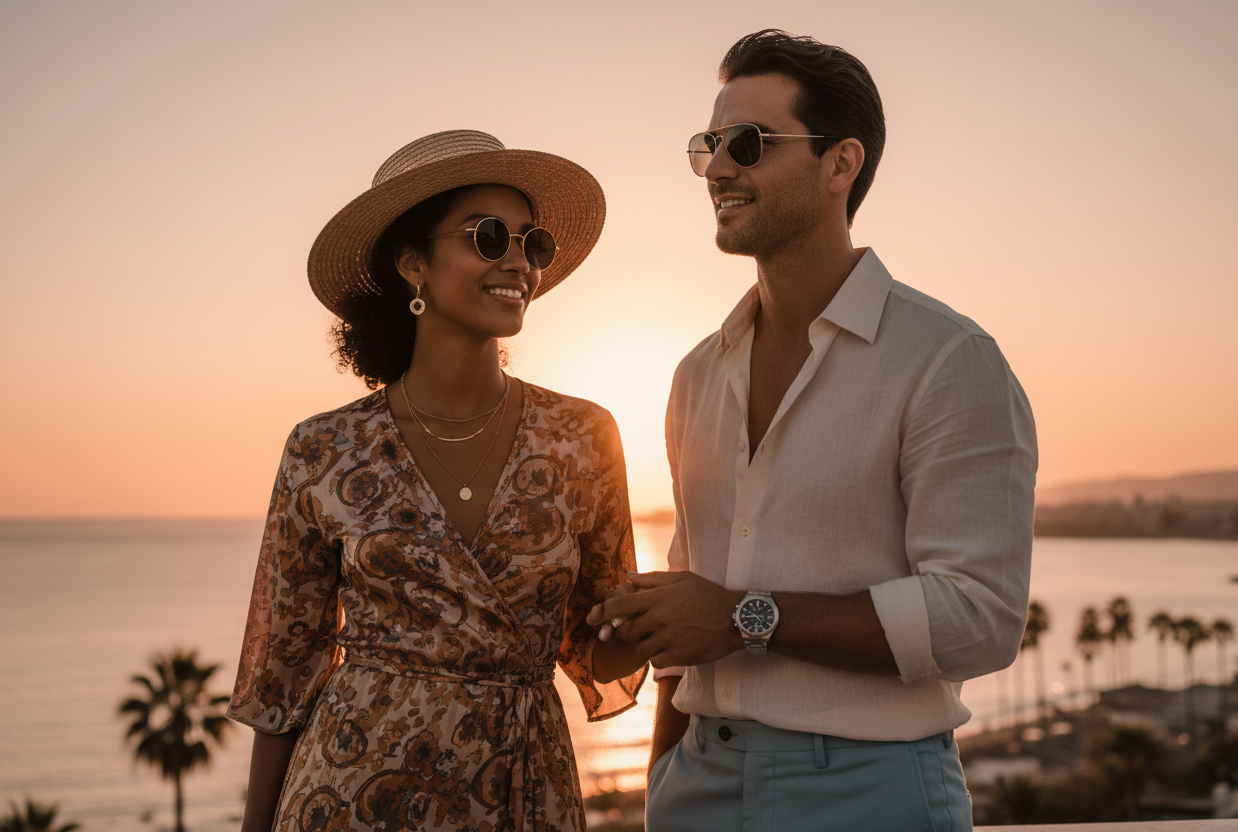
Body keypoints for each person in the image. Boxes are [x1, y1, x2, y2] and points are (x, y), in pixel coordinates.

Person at [587, 30, 1037, 831]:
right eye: (709, 146)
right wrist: (664, 777)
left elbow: (979, 618)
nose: (719, 169)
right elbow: (690, 603)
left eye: (750, 145)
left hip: (869, 788)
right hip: (698, 779)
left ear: (841, 164)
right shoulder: (696, 373)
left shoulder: (947, 360)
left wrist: (741, 616)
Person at [228, 130, 647, 832]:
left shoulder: (583, 437)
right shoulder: (323, 449)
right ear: (413, 262)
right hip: (346, 798)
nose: (518, 260)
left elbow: (599, 649)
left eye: (531, 243)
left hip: (521, 794)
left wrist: (682, 605)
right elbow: (284, 680)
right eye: (488, 236)